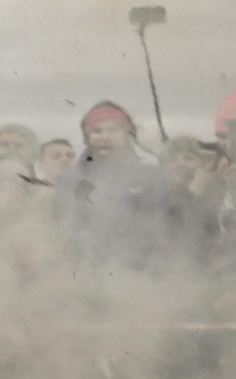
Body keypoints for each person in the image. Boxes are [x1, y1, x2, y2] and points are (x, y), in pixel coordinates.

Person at [64, 101, 170, 275]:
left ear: (128, 135)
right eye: (97, 131)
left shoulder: (151, 177)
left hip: (141, 272)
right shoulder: (73, 180)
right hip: (88, 273)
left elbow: (159, 229)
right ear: (87, 136)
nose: (105, 137)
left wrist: (153, 272)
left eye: (114, 130)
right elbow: (68, 227)